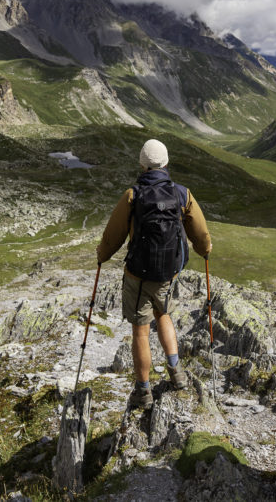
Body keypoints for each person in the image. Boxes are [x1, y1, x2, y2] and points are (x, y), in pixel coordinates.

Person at [96, 139, 212, 409]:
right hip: (168, 274)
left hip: (138, 275)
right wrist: (204, 250)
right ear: (166, 163)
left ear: (142, 165)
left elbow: (113, 236)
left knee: (140, 331)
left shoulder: (133, 195)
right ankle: (177, 373)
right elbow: (200, 233)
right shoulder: (183, 194)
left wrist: (102, 255)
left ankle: (143, 391)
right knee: (165, 315)